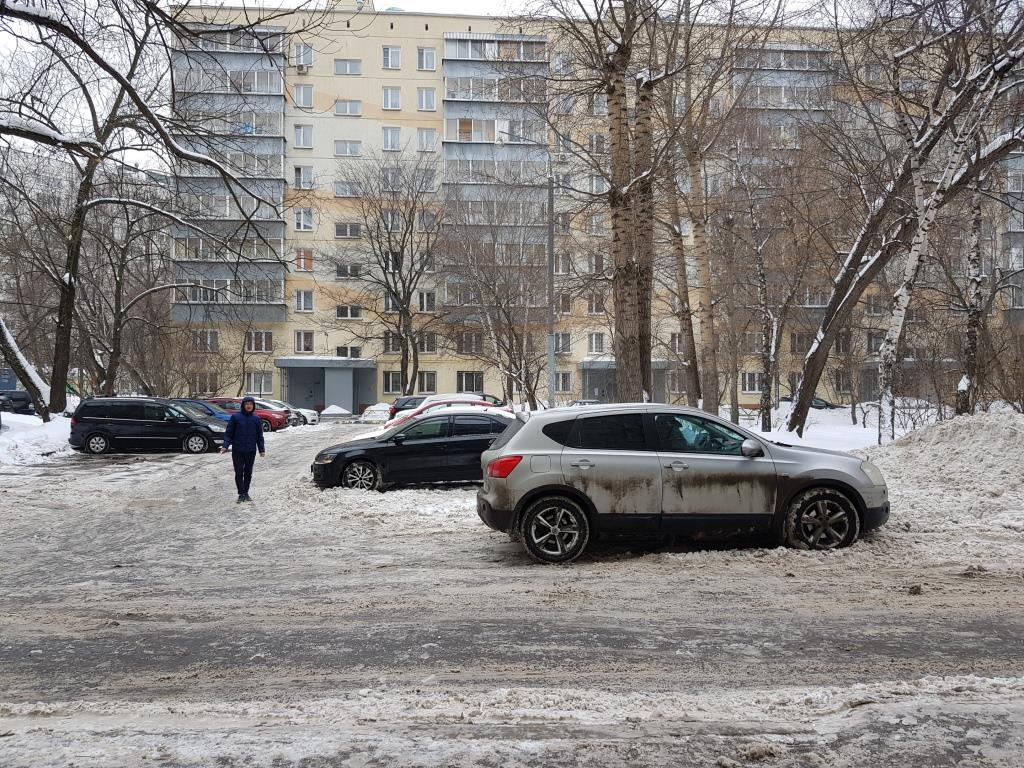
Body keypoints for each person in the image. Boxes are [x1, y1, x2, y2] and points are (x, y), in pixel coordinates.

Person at [220, 396, 265, 502]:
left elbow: (259, 436)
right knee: (239, 472)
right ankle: (241, 494)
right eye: (246, 404)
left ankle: (246, 492)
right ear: (243, 405)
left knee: (248, 473)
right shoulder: (235, 417)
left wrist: (261, 449)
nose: (249, 406)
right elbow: (229, 433)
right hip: (238, 450)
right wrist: (225, 446)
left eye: (251, 404)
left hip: (250, 450)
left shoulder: (256, 419)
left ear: (253, 406)